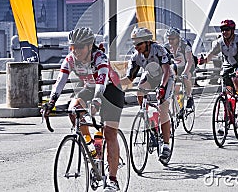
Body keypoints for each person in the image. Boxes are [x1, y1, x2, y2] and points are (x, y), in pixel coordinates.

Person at [42, 27, 124, 192]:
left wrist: (96, 103)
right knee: (73, 108)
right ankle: (91, 147)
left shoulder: (99, 58)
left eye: (79, 47)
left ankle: (113, 180)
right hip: (90, 88)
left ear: (89, 45)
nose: (76, 51)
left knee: (109, 132)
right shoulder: (71, 59)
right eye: (73, 47)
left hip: (111, 90)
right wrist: (50, 103)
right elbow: (60, 81)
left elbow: (101, 84)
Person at [120, 27, 175, 162]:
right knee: (140, 91)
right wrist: (113, 84)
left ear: (147, 42)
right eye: (134, 44)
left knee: (163, 108)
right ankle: (148, 121)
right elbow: (129, 78)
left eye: (139, 43)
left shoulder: (159, 50)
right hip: (150, 76)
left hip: (165, 77)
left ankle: (166, 145)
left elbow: (166, 70)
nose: (136, 46)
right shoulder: (135, 56)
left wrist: (162, 87)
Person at [198, 19, 238, 112]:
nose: (225, 32)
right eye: (223, 30)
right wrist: (204, 60)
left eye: (227, 30)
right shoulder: (219, 42)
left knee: (235, 78)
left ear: (232, 30)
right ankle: (229, 112)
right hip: (227, 65)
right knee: (227, 90)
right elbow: (211, 54)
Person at [163, 27, 195, 111]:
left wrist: (185, 72)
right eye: (169, 39)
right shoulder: (166, 46)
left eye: (173, 39)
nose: (170, 41)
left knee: (186, 77)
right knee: (175, 90)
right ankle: (177, 111)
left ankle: (189, 97)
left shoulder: (185, 45)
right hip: (175, 68)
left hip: (187, 66)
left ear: (178, 38)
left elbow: (189, 61)